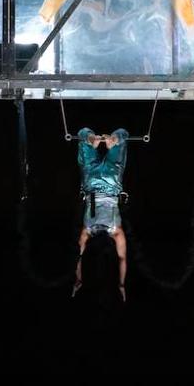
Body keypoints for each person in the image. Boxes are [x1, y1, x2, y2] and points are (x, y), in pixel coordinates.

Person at [71, 128, 130, 303]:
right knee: (84, 133)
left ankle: (114, 140)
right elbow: (78, 258)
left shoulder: (116, 231)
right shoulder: (87, 231)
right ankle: (90, 139)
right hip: (92, 181)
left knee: (121, 133)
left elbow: (122, 259)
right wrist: (79, 279)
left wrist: (121, 284)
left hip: (112, 182)